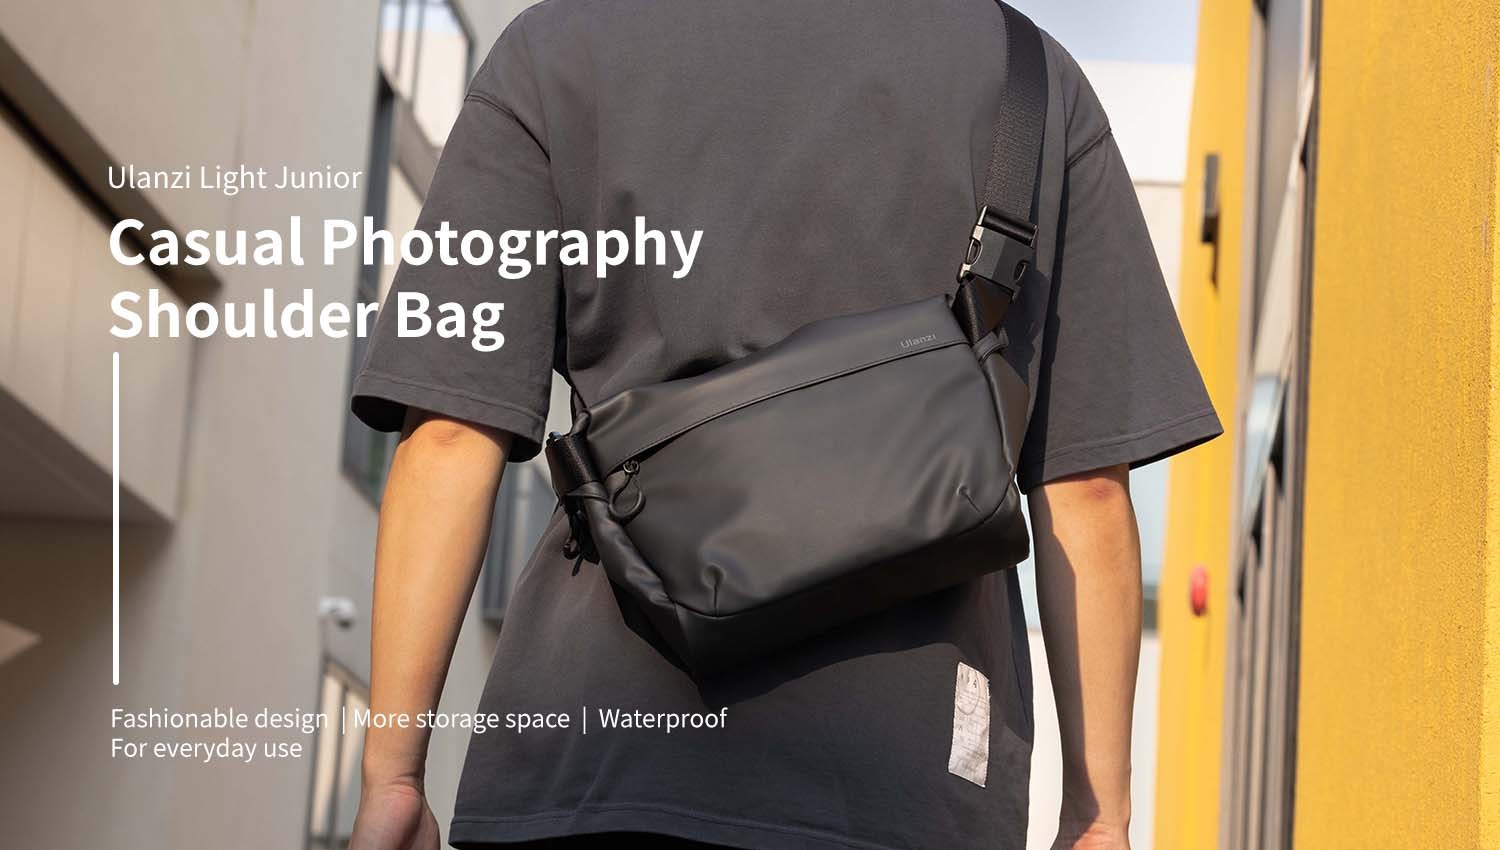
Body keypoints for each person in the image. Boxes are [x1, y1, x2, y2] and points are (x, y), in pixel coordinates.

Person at [346, 2, 1221, 849]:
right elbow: (1085, 487)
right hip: (911, 781)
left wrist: (394, 778)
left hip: (595, 763)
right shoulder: (1032, 81)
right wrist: (1098, 816)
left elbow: (452, 434)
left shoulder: (555, 49)